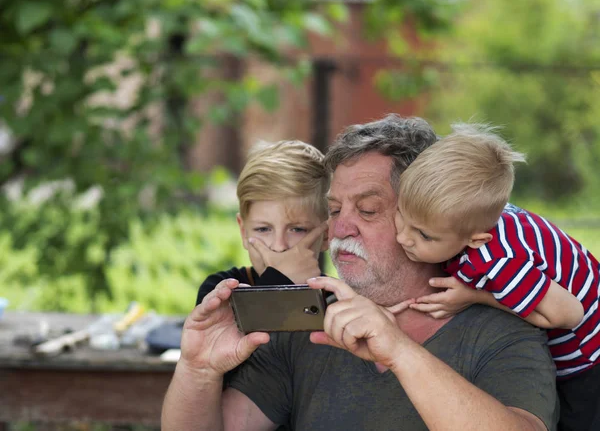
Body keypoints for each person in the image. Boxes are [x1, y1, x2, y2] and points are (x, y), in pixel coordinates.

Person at [162, 114, 558, 431]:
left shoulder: (499, 326)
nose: (341, 228)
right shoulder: (304, 320)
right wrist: (198, 370)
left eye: (367, 210)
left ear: (426, 213)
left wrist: (399, 351)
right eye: (334, 210)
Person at [395, 123, 600, 431]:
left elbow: (570, 314)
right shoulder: (473, 215)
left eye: (424, 234)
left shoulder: (496, 261)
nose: (403, 238)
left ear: (475, 239)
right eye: (401, 214)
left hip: (586, 357)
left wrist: (474, 296)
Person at [196, 139, 330, 307]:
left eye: (297, 229)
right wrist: (281, 280)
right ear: (244, 232)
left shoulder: (339, 299)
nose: (279, 246)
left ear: (326, 235)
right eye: (263, 229)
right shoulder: (220, 290)